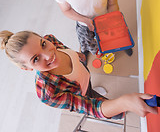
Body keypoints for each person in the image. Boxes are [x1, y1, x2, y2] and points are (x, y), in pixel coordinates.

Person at [0, 30, 157, 120]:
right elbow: (92, 107)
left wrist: (77, 55)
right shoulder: (49, 93)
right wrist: (124, 103)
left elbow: (62, 48)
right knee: (110, 108)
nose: (48, 55)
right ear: (26, 68)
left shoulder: (50, 39)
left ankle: (91, 90)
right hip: (80, 94)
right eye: (35, 59)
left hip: (83, 78)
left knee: (89, 85)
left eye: (43, 44)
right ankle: (118, 112)